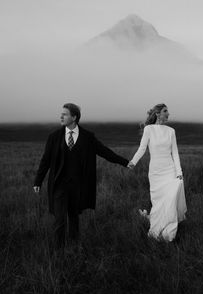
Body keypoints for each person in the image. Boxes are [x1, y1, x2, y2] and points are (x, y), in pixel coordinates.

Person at [33, 103, 129, 250]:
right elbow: (45, 160)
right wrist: (38, 181)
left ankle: (74, 247)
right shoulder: (54, 137)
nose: (61, 116)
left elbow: (105, 152)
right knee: (60, 219)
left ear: (74, 117)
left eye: (64, 114)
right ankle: (58, 252)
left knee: (73, 216)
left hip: (78, 185)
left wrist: (125, 163)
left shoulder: (88, 137)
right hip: (59, 184)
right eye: (62, 113)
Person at [128, 104, 187, 242]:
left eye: (168, 111)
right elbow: (142, 149)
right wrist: (133, 162)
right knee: (158, 201)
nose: (168, 114)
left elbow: (175, 154)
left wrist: (179, 172)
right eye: (165, 111)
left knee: (170, 199)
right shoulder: (149, 129)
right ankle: (155, 220)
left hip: (170, 170)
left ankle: (169, 230)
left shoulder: (171, 131)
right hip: (155, 172)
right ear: (157, 113)